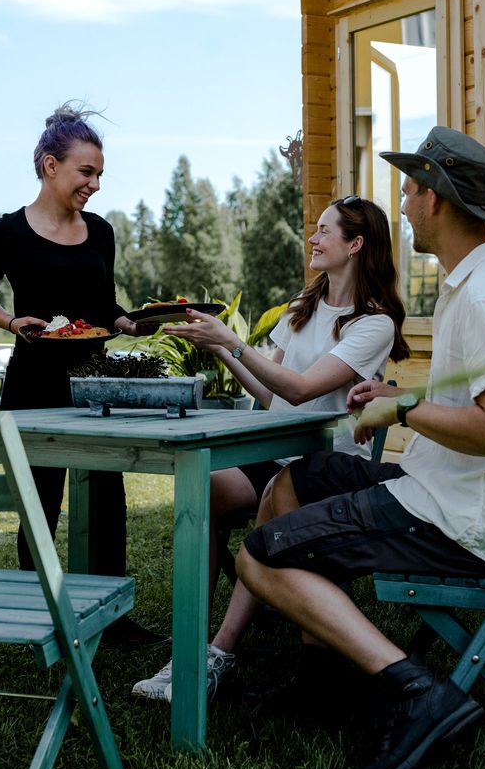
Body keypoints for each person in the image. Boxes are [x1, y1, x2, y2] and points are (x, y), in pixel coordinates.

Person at [234, 126, 485, 769]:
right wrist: (389, 396)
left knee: (260, 553)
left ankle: (419, 693)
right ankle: (322, 681)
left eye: (411, 190)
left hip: (462, 521)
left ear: (436, 199)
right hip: (449, 491)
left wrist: (402, 408)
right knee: (298, 480)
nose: (404, 205)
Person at [132, 195, 410, 699]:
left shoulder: (375, 324)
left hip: (325, 466)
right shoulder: (304, 307)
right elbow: (271, 393)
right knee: (206, 488)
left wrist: (233, 342)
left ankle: (220, 654)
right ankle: (189, 644)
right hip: (278, 447)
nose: (313, 237)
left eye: (325, 230)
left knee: (270, 501)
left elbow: (302, 389)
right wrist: (218, 345)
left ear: (355, 244)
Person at [0, 101, 159, 645]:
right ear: (51, 166)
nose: (95, 184)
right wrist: (11, 322)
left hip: (93, 379)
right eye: (86, 172)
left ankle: (112, 615)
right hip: (33, 383)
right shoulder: (6, 232)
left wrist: (134, 323)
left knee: (106, 496)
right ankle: (40, 609)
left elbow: (103, 307)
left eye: (99, 174)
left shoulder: (100, 231)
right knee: (39, 501)